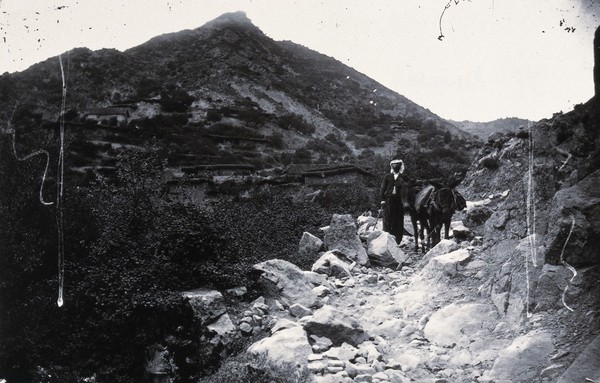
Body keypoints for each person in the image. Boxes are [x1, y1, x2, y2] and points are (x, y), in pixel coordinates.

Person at [380, 158, 405, 245]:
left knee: (398, 219)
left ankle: (397, 240)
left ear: (400, 166)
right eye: (394, 165)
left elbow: (410, 185)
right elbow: (383, 188)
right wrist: (382, 200)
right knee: (387, 218)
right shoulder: (387, 176)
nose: (396, 166)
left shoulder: (403, 177)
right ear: (392, 166)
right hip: (388, 200)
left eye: (397, 165)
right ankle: (387, 238)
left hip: (399, 201)